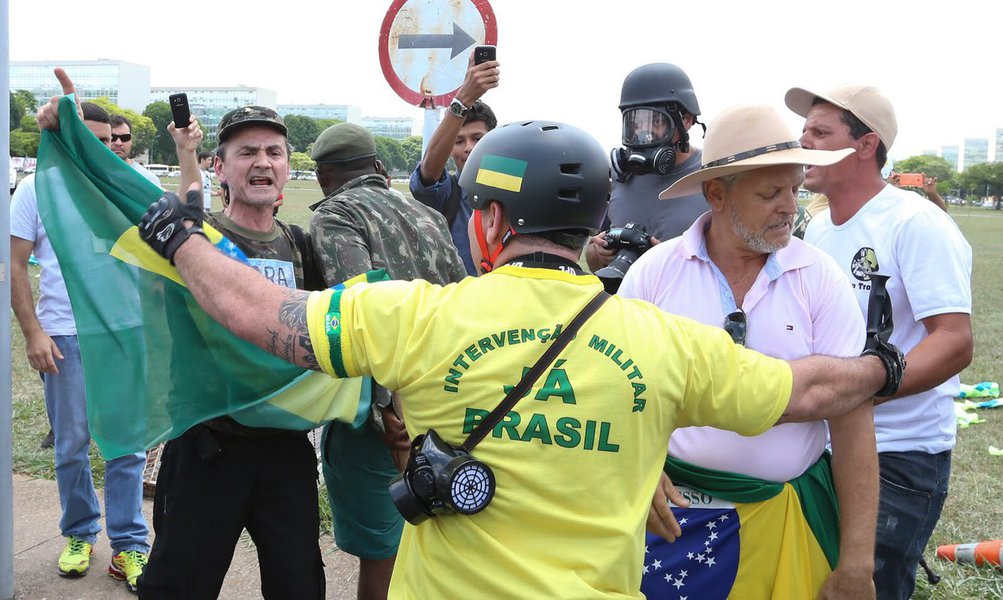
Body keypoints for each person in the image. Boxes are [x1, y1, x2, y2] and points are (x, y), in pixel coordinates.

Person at [138, 117, 906, 599]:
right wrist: (884, 367)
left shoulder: (412, 315)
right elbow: (809, 392)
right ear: (592, 221)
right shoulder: (665, 340)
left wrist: (180, 238)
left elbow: (258, 313)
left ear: (490, 220)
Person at [620, 105, 878, 599]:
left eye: (795, 190)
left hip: (786, 519)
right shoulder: (654, 273)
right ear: (717, 193)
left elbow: (852, 419)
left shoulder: (819, 278)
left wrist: (857, 564)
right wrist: (638, 469)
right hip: (673, 524)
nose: (790, 207)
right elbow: (620, 394)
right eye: (770, 194)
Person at [787, 83, 973, 599]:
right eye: (804, 130)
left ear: (866, 145)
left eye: (820, 132)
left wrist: (861, 390)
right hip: (829, 447)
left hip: (898, 454)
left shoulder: (915, 223)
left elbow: (954, 341)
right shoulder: (819, 229)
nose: (804, 142)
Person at [136, 106, 326, 599]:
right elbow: (176, 242)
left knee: (298, 585)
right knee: (180, 586)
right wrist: (184, 155)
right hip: (208, 446)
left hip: (285, 448)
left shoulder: (301, 245)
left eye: (274, 152)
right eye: (247, 152)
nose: (262, 161)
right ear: (220, 167)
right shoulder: (199, 240)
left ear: (287, 167)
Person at [309, 122, 467, 599]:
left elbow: (363, 319)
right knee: (440, 545)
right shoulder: (429, 215)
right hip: (447, 401)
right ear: (380, 168)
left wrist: (388, 414)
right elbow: (464, 304)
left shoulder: (334, 215)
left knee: (383, 552)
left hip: (383, 415)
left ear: (322, 177)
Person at [14, 85, 150, 592]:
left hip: (123, 333)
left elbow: (183, 220)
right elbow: (16, 265)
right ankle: (78, 532)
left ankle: (130, 544)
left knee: (127, 446)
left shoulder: (125, 182)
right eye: (83, 136)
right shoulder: (36, 189)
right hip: (64, 336)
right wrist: (33, 332)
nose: (95, 147)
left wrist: (186, 152)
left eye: (104, 140)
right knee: (71, 444)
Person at [585, 63, 708, 274]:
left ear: (686, 120)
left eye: (656, 122)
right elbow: (596, 255)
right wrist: (596, 254)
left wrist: (672, 262)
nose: (643, 133)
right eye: (635, 123)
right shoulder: (617, 176)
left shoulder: (714, 175)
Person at [409, 52, 499, 275]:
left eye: (477, 138)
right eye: (458, 141)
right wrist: (463, 100)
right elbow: (427, 172)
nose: (469, 147)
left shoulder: (513, 187)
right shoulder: (447, 194)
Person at [110, 114, 161, 187]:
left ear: (131, 140)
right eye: (113, 137)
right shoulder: (94, 175)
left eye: (125, 137)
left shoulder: (148, 179)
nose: (118, 143)